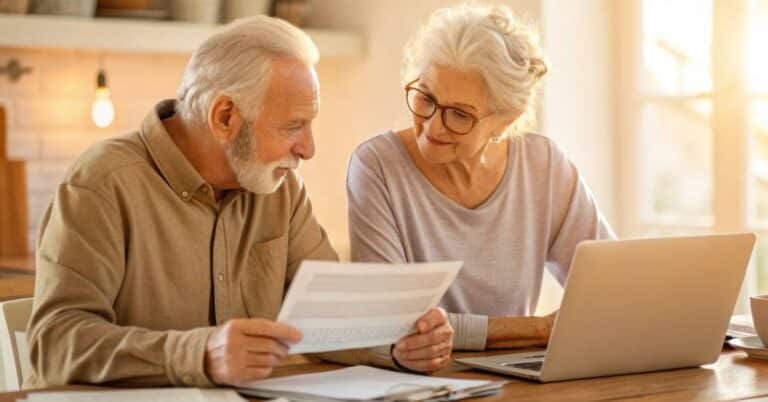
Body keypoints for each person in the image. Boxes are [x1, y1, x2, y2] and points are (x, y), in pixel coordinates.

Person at [26, 16, 452, 389]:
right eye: (294, 126)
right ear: (225, 117)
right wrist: (201, 353)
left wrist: (398, 345)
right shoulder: (102, 184)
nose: (308, 149)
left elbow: (330, 323)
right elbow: (54, 342)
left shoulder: (280, 189)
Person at [347, 4, 615, 352]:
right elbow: (388, 319)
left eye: (459, 115)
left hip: (518, 379)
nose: (431, 126)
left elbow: (610, 286)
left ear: (505, 121)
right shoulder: (377, 166)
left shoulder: (543, 164)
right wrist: (535, 329)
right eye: (426, 98)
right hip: (422, 380)